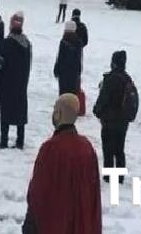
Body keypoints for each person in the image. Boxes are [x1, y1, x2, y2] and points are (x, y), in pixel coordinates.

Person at [21, 95, 102, 234]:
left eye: (55, 109)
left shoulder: (50, 148)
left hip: (55, 224)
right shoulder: (86, 148)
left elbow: (38, 193)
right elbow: (93, 195)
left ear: (58, 114)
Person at [0, 12, 31, 149]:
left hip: (6, 84)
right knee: (20, 113)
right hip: (21, 84)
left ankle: (4, 141)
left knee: (6, 112)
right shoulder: (27, 44)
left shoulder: (6, 43)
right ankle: (20, 141)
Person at [54, 20, 84, 101]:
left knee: (63, 94)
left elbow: (60, 57)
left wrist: (56, 69)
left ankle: (63, 107)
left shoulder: (63, 41)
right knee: (72, 96)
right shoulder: (78, 42)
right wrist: (79, 72)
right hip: (74, 74)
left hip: (63, 74)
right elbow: (79, 58)